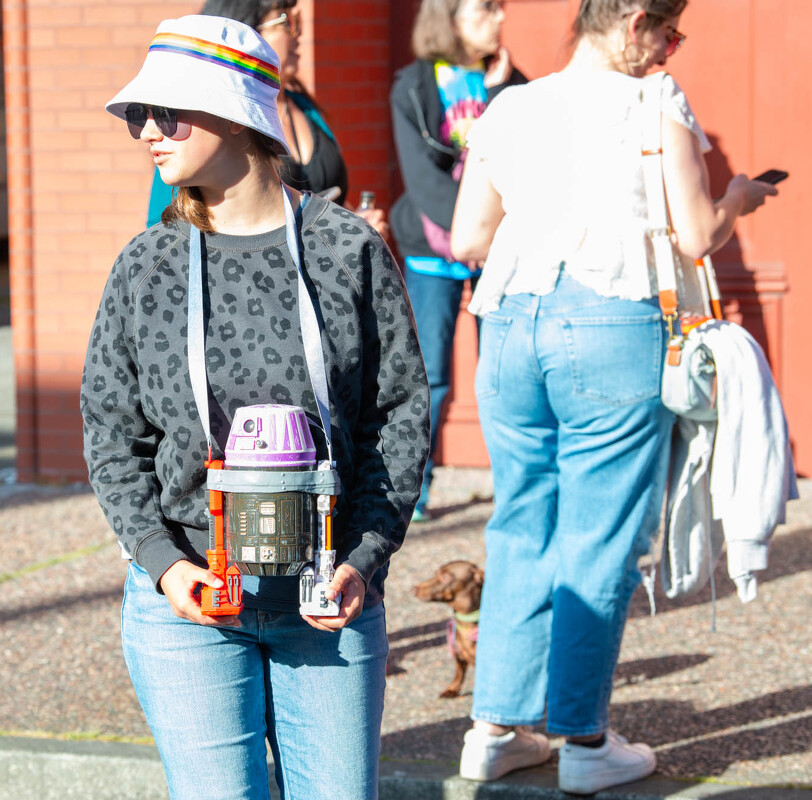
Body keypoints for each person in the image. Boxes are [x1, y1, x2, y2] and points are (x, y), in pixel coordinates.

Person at [83, 15, 428, 799]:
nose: (145, 133)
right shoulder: (148, 264)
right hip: (188, 603)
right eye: (138, 116)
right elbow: (111, 432)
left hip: (326, 597)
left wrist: (365, 560)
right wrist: (164, 566)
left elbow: (399, 416)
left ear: (235, 111)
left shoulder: (347, 249)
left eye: (164, 112)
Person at [447, 0, 777, 794]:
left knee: (523, 521)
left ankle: (495, 729)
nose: (671, 49)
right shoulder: (654, 100)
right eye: (669, 32)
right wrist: (737, 197)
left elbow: (468, 240)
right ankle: (585, 741)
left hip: (511, 320)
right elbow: (697, 234)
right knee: (599, 536)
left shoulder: (512, 105)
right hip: (608, 319)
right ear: (632, 23)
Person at [389, 0, 524, 523]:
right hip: (433, 245)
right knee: (432, 375)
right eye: (486, 8)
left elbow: (516, 155)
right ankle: (413, 493)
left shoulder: (512, 84)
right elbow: (420, 175)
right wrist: (470, 231)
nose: (499, 18)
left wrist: (495, 91)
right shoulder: (414, 84)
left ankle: (514, 483)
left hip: (499, 248)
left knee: (503, 369)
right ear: (450, 18)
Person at [145, 0, 390, 240]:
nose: (297, 35)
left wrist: (356, 226)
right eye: (286, 21)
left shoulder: (305, 108)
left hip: (327, 272)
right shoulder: (195, 135)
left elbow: (332, 197)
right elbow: (163, 228)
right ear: (245, 33)